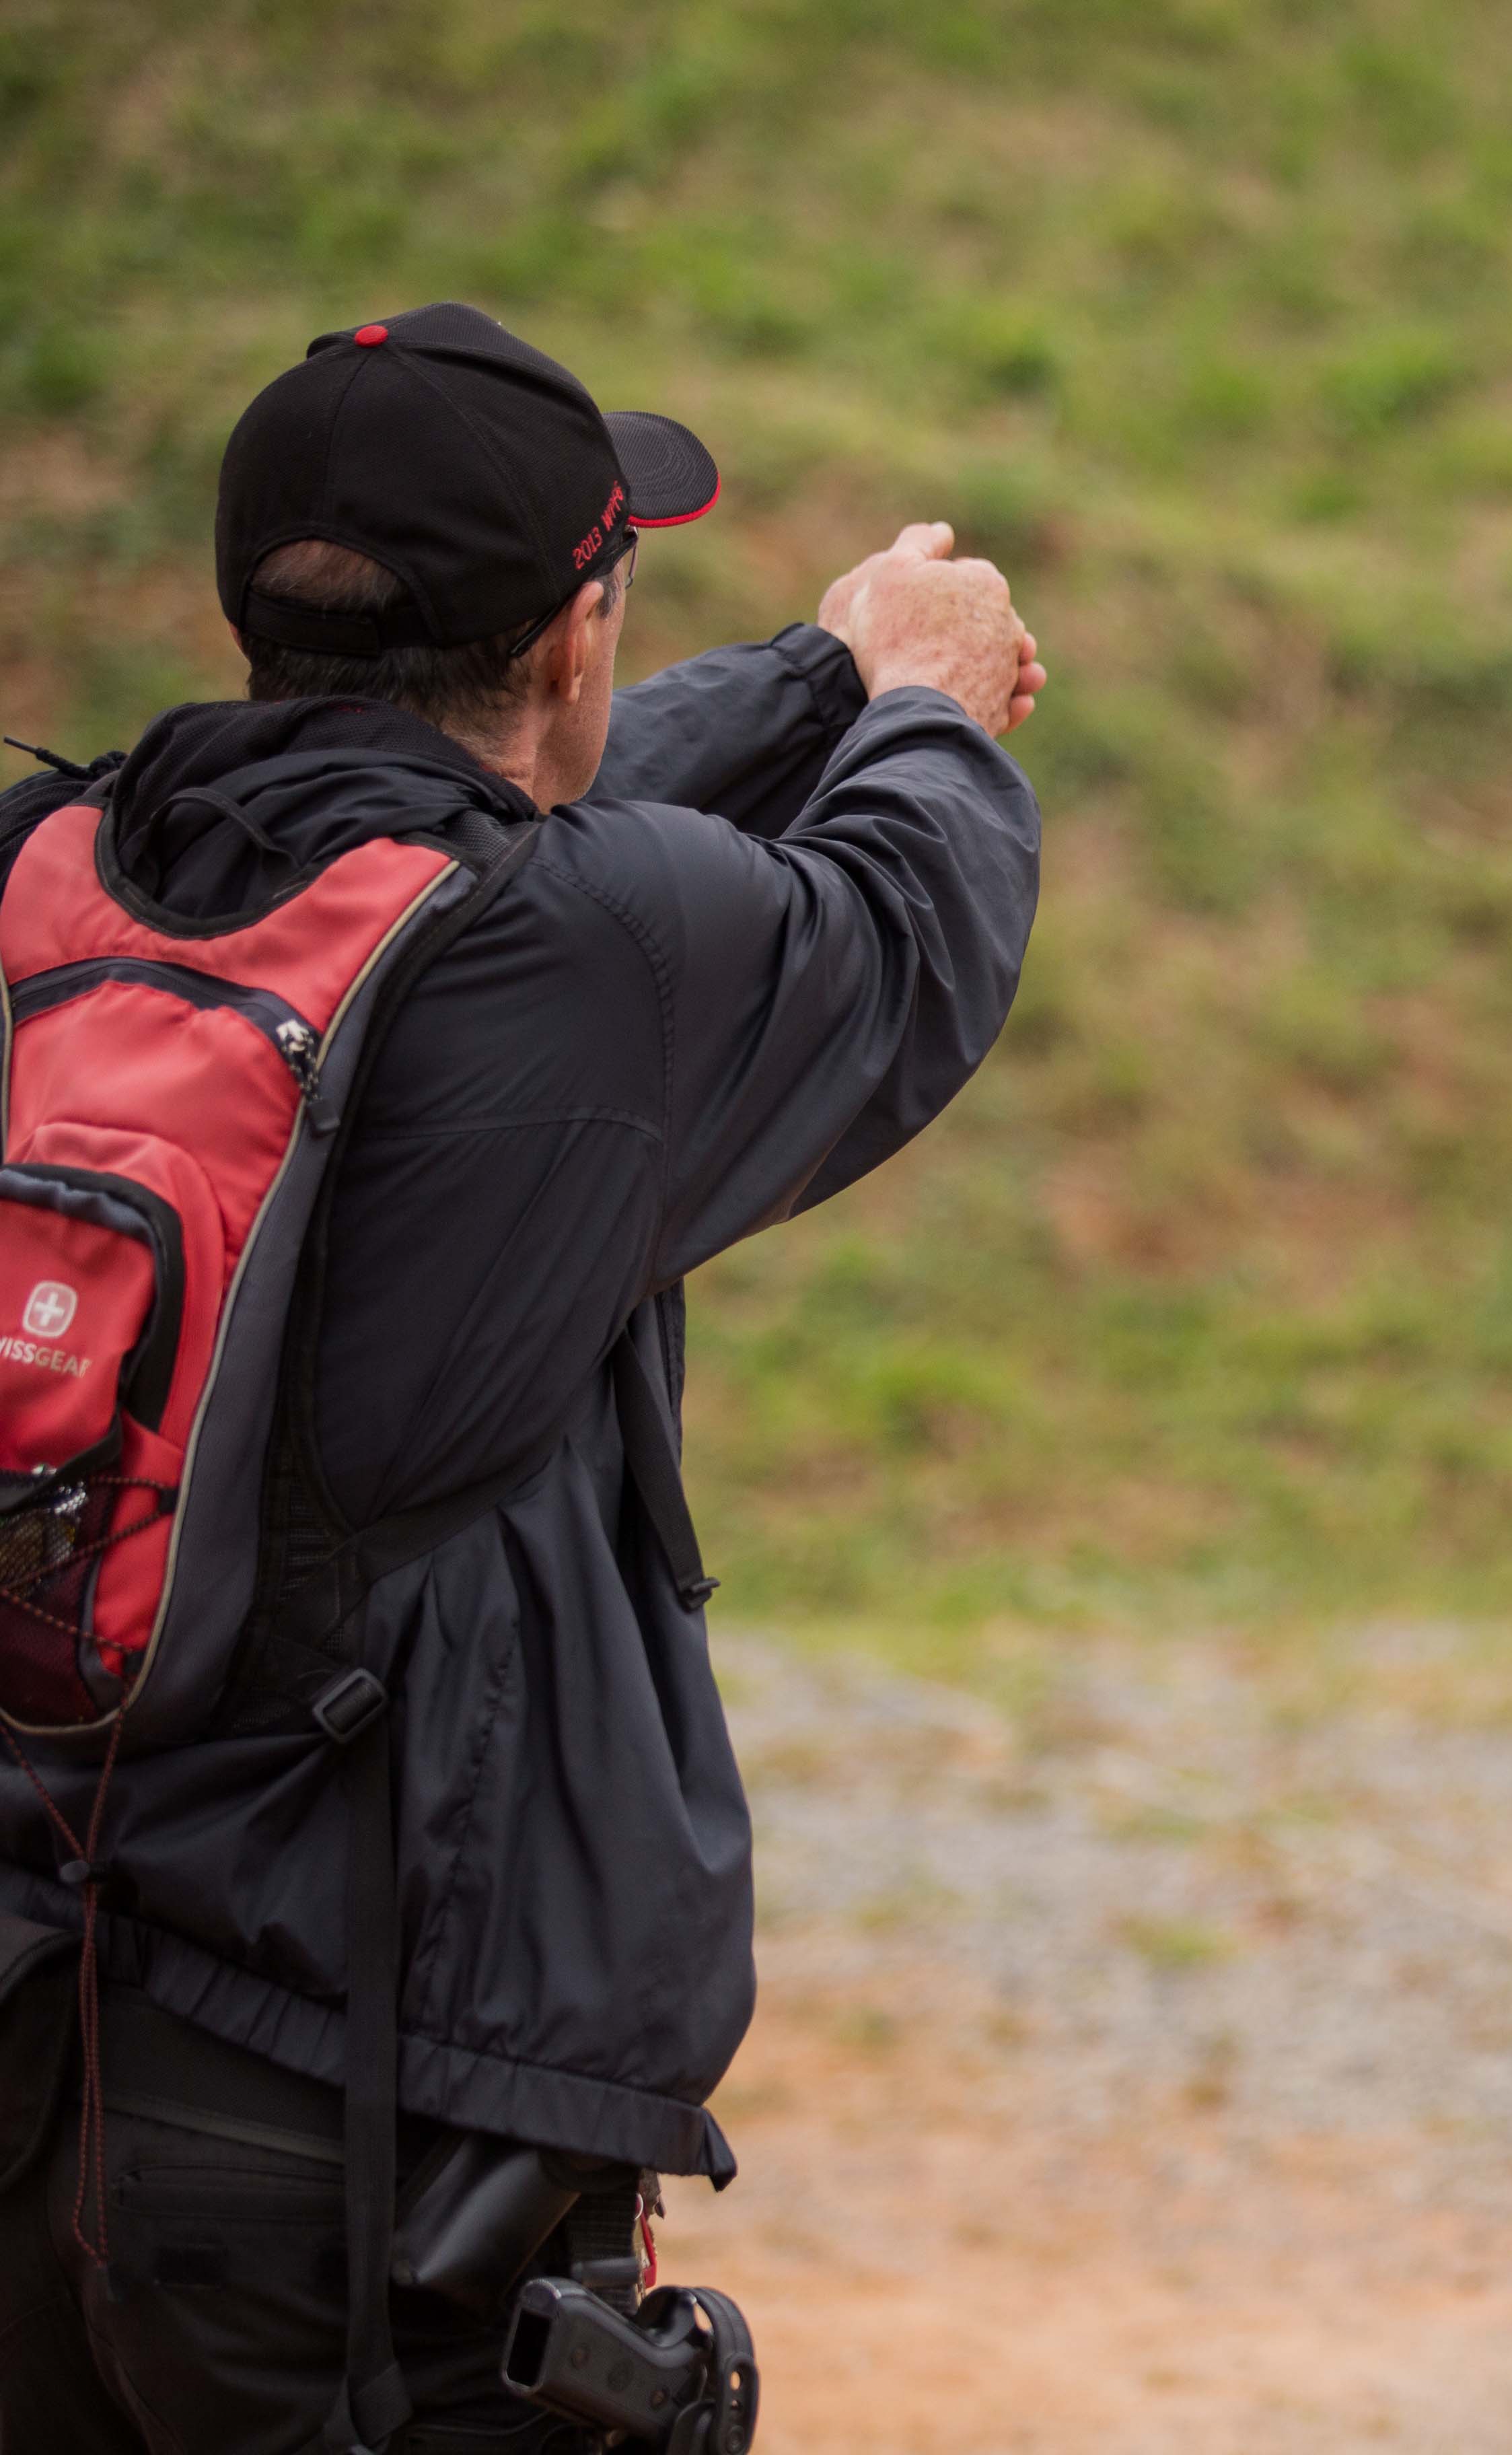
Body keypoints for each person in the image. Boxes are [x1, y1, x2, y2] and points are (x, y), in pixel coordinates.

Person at [0, 304, 1043, 2446]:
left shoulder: (78, 874)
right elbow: (904, 928)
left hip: (45, 2042)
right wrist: (932, 704)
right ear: (573, 637)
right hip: (370, 2136)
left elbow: (485, 848)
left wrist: (816, 669)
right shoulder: (586, 955)